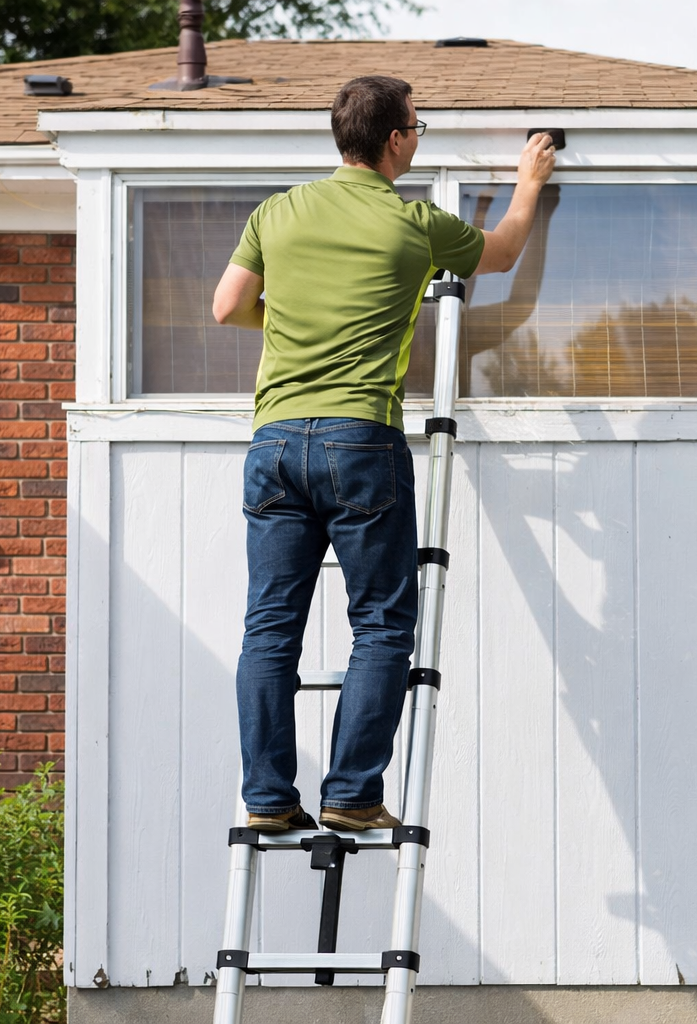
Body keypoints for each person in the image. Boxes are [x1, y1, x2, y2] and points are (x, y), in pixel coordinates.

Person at [213, 75, 555, 832]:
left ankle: (267, 799)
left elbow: (228, 306)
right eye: (418, 128)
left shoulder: (278, 211)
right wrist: (530, 182)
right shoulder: (414, 223)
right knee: (380, 625)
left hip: (274, 444)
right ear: (396, 140)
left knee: (270, 628)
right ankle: (351, 794)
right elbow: (501, 255)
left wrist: (296, 323)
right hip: (360, 441)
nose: (418, 138)